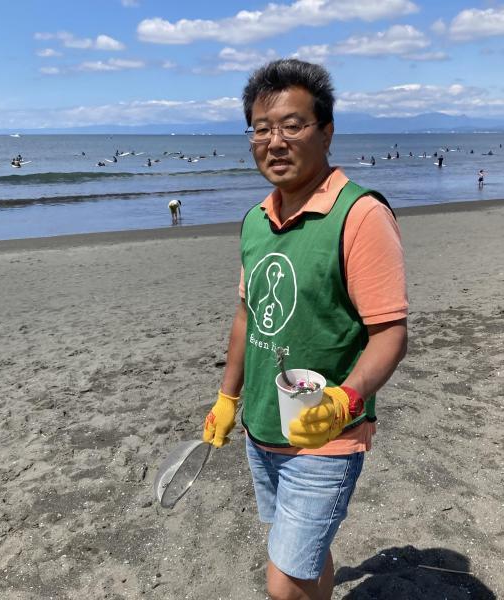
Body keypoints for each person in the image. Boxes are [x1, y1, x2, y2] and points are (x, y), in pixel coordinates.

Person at [202, 59, 407, 600]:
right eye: (262, 128)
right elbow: (248, 317)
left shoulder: (359, 216)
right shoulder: (254, 219)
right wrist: (228, 399)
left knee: (283, 584)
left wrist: (345, 402)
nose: (274, 141)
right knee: (304, 557)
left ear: (327, 131)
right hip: (262, 428)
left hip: (327, 437)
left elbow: (390, 333)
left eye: (292, 125)